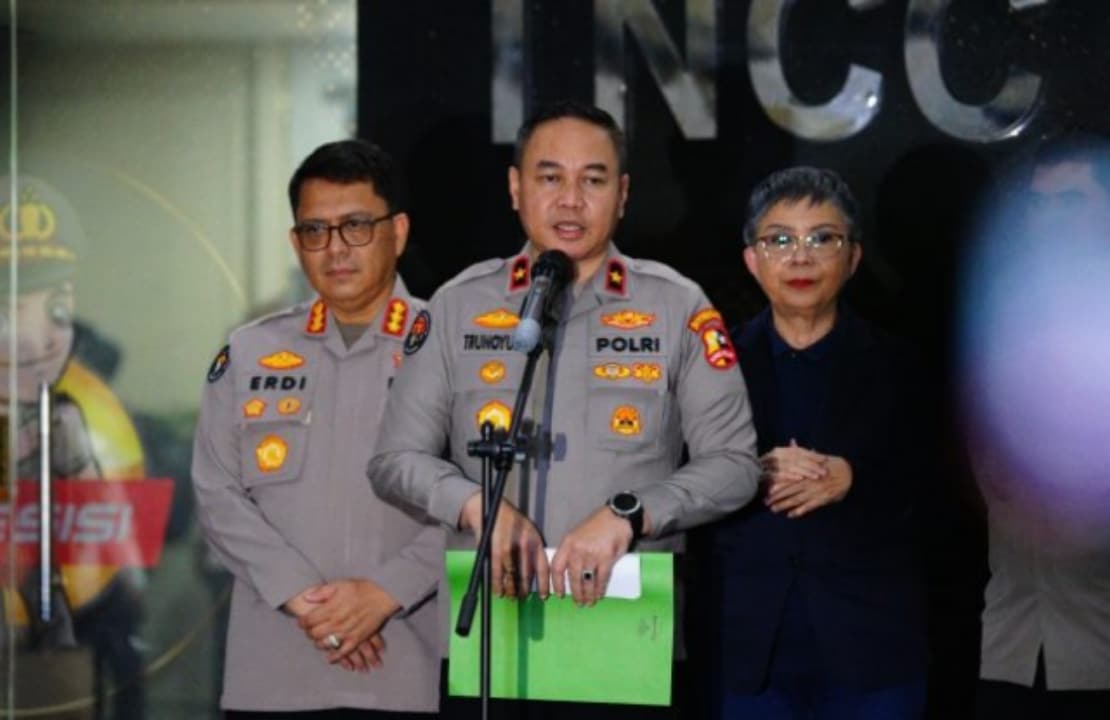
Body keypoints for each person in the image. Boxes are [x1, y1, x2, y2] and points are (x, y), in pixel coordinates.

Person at [367, 100, 761, 719]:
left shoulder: (677, 306)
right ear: (515, 188)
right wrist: (475, 506)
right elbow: (394, 461)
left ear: (622, 194)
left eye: (593, 180)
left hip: (625, 642)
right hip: (492, 644)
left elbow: (736, 465)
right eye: (550, 178)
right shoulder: (457, 305)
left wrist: (631, 513)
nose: (571, 201)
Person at [191, 140, 442, 718]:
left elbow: (490, 501)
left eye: (356, 226)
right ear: (295, 241)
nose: (335, 248)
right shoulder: (250, 351)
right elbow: (216, 493)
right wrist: (306, 600)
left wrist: (384, 594)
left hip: (411, 672)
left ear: (398, 231)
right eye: (314, 230)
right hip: (273, 674)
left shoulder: (453, 348)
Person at [708, 167, 928, 718]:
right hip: (747, 650)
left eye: (822, 238)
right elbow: (674, 482)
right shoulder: (711, 367)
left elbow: (945, 501)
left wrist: (855, 478)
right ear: (752, 260)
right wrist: (747, 473)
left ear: (853, 257)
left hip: (874, 651)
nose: (800, 258)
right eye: (780, 240)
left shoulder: (904, 365)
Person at [967, 135, 1110, 720]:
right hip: (1011, 644)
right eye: (1039, 205)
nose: (1049, 221)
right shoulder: (1003, 323)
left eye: (1070, 203)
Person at [1, 174, 148, 719]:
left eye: (56, 313)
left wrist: (126, 568)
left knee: (114, 656)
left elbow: (101, 505)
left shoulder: (70, 415)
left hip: (70, 586)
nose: (39, 338)